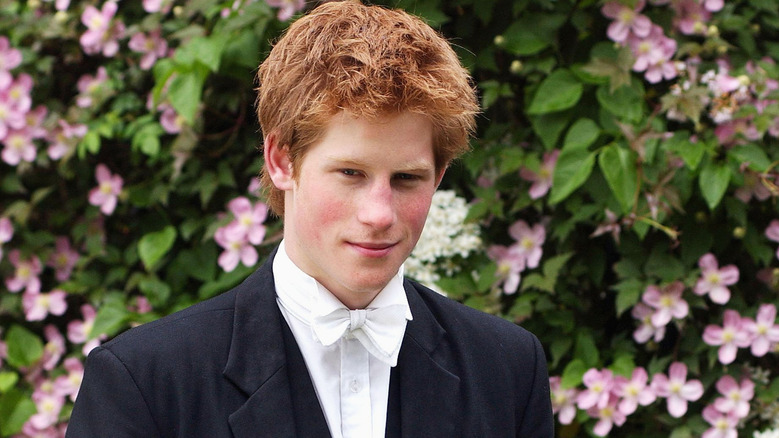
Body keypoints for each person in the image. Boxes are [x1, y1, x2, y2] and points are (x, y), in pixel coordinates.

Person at [66, 1, 554, 437]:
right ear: (281, 161)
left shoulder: (508, 368)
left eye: (407, 178)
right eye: (350, 173)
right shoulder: (145, 380)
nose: (379, 214)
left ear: (440, 174)